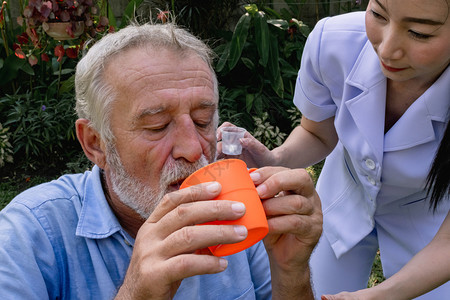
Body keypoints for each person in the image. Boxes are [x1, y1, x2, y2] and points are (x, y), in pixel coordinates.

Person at [0, 22, 323, 299]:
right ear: (96, 144)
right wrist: (135, 293)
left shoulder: (238, 217)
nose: (193, 149)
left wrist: (291, 274)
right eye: (157, 126)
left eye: (201, 121)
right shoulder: (30, 235)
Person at [218, 0, 450, 298]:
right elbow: (318, 134)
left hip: (431, 216)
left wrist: (379, 296)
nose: (388, 49)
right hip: (343, 196)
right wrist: (277, 159)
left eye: (419, 33)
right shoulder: (334, 42)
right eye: (378, 14)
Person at [322, 120, 450, 299]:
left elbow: (448, 242)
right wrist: (277, 158)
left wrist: (380, 295)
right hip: (348, 189)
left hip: (430, 212)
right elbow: (315, 132)